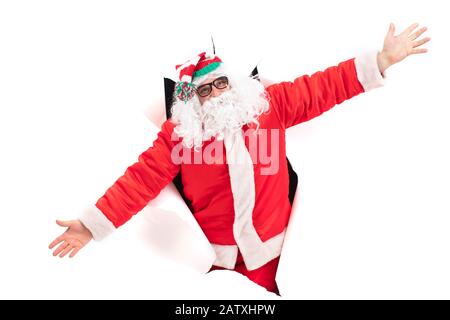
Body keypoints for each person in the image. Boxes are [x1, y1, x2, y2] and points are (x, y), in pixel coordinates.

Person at [49, 23, 430, 295]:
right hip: (216, 262)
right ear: (190, 101)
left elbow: (322, 88)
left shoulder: (270, 105)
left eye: (221, 83)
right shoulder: (179, 137)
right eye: (205, 90)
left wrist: (378, 61)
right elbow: (138, 182)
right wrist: (91, 225)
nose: (217, 94)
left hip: (276, 252)